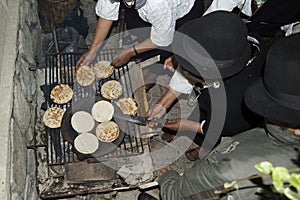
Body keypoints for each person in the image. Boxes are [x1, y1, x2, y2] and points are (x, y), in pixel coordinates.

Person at [141, 32, 300, 200]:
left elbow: (180, 194)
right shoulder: (249, 44)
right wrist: (163, 104)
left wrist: (168, 179)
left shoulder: (234, 166)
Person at [147, 11, 267, 161]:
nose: (176, 66)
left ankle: (204, 149)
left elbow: (220, 127)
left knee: (212, 133)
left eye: (185, 68)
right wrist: (163, 104)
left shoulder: (235, 104)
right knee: (202, 109)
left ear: (206, 77)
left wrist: (185, 125)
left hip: (233, 116)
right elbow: (191, 70)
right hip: (218, 91)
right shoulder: (237, 39)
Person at [75, 0, 204, 69]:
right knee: (135, 26)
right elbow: (107, 13)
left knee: (164, 52)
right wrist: (93, 50)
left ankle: (151, 74)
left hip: (184, 12)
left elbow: (162, 38)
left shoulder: (158, 5)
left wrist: (129, 52)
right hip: (147, 7)